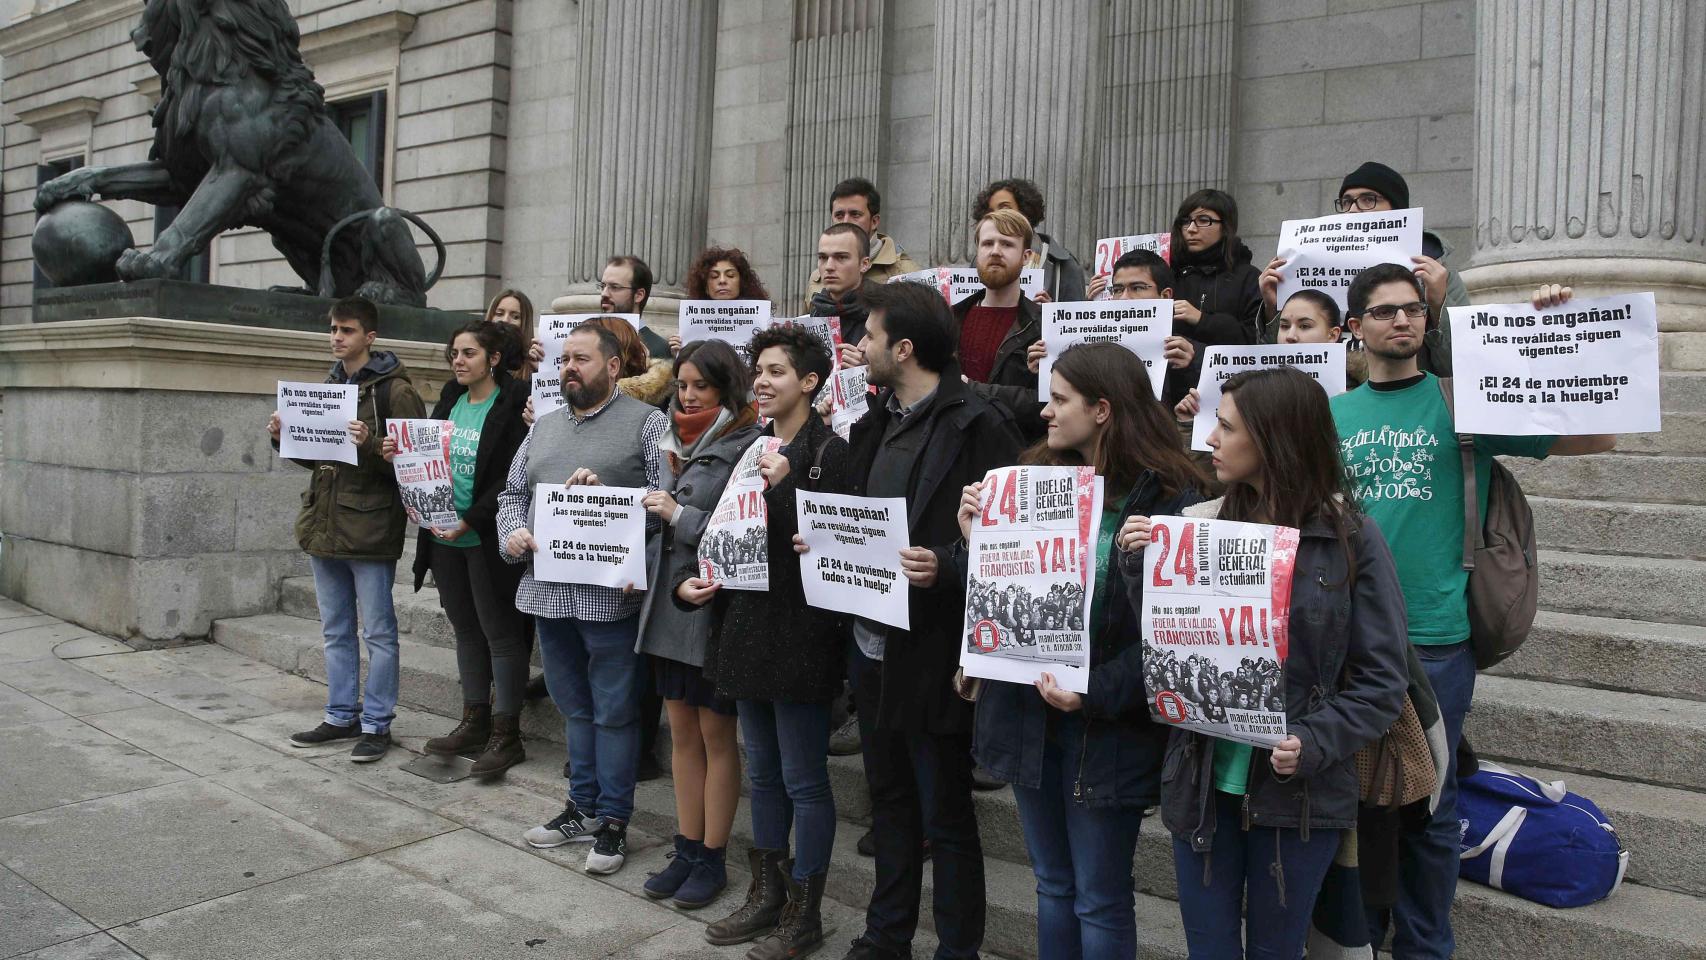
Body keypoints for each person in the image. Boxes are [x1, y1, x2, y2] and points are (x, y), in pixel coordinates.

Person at [1331, 268, 1617, 959]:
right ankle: (1363, 937)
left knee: (1430, 813)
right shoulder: (1331, 415)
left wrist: (1557, 333)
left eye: (1413, 310)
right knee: (1364, 807)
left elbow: (1597, 438)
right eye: (1384, 312)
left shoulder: (1469, 401)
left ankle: (1425, 948)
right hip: (1349, 637)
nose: (1402, 321)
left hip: (1436, 638)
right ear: (1356, 329)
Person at [1149, 365, 1409, 959]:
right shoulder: (1196, 526)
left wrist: (1312, 741)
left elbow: (1382, 681)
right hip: (1203, 788)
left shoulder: (1352, 539)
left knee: (1277, 951)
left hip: (1299, 801)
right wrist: (1149, 568)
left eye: (1228, 427)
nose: (1211, 438)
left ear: (1276, 439)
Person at [957, 343, 1203, 960]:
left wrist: (1096, 690)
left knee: (1098, 894)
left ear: (1101, 409)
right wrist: (973, 543)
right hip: (1027, 714)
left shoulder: (1172, 498)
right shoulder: (1029, 479)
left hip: (1107, 727)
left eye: (1060, 398)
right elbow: (995, 599)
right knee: (1052, 884)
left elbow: (1180, 636)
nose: (1045, 410)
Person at [837, 280, 1022, 960]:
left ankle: (957, 948)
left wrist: (945, 565)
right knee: (886, 799)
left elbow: (1009, 545)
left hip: (936, 647)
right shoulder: (876, 418)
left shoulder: (980, 425)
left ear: (904, 348)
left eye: (872, 337)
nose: (861, 348)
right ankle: (885, 935)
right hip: (872, 640)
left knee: (944, 814)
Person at [699, 323, 851, 959]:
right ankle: (766, 893)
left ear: (810, 383)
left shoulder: (829, 452)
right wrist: (695, 581)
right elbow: (722, 531)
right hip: (747, 628)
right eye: (758, 371)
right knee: (762, 774)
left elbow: (833, 547)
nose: (761, 381)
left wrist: (786, 483)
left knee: (804, 781)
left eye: (777, 371)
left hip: (803, 635)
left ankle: (803, 912)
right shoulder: (749, 447)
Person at [500, 321, 669, 876]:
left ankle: (615, 821)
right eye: (564, 359)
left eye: (581, 359)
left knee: (616, 714)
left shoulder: (647, 424)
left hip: (612, 600)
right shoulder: (543, 427)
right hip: (550, 595)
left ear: (614, 366)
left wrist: (615, 510)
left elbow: (665, 502)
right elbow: (511, 495)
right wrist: (513, 534)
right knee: (575, 708)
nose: (569, 368)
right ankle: (582, 808)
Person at [635, 340, 761, 910]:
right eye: (681, 385)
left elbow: (745, 531)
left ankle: (712, 856)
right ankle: (686, 847)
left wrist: (677, 513)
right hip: (669, 605)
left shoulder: (750, 444)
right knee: (680, 732)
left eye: (700, 387)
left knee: (715, 735)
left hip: (714, 612)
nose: (686, 396)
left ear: (726, 390)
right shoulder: (668, 442)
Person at [271, 296, 426, 762]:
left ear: (370, 337)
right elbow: (319, 457)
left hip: (371, 525)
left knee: (378, 631)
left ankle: (376, 723)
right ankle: (341, 714)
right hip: (325, 522)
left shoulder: (395, 390)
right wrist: (283, 437)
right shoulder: (330, 383)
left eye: (348, 330)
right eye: (334, 329)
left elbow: (414, 463)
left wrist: (373, 443)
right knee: (336, 628)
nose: (338, 337)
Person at [384, 320, 531, 777]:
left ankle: (507, 735)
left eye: (468, 353)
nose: (459, 361)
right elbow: (428, 457)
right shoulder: (450, 398)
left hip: (485, 537)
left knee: (501, 633)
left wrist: (471, 518)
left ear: (493, 358)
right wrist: (400, 455)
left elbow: (511, 475)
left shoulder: (512, 403)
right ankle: (474, 719)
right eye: (454, 354)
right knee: (466, 629)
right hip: (444, 537)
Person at [1261, 162, 1469, 376]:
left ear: (1397, 212)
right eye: (1346, 202)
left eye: (1368, 200)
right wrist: (1272, 308)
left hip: (1400, 396)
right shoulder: (1309, 265)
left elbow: (1462, 365)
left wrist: (1438, 304)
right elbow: (1279, 365)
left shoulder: (1435, 271)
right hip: (1323, 396)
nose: (1353, 209)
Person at [1031, 248, 1196, 407]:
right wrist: (1045, 369)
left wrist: (1186, 370)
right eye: (1118, 289)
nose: (1124, 298)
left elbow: (1185, 418)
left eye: (1137, 288)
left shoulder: (1183, 351)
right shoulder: (1087, 345)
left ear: (1165, 296)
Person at [951, 208, 1046, 439]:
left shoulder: (1042, 325)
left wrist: (971, 388)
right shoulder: (950, 318)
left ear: (1026, 257)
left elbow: (1044, 404)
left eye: (1006, 244)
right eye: (987, 243)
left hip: (1013, 454)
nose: (995, 251)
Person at [1167, 188, 1263, 349]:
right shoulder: (1168, 273)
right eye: (1185, 221)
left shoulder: (1249, 278)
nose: (1191, 229)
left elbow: (1258, 339)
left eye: (1203, 220)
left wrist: (1202, 320)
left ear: (1225, 226)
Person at [972, 177, 1086, 304]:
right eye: (990, 211)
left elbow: (1073, 319)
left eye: (1004, 208)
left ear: (1026, 210)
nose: (997, 216)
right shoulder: (980, 263)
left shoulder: (1064, 265)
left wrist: (1048, 316)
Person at [806, 176, 922, 297]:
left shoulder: (905, 273)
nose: (846, 221)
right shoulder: (817, 278)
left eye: (855, 214)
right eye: (839, 215)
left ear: (874, 221)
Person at [672, 246, 775, 354]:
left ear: (742, 283)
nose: (722, 281)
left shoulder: (763, 322)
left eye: (730, 275)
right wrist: (681, 352)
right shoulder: (690, 325)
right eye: (714, 276)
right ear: (706, 287)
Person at [811, 222, 878, 366]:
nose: (829, 266)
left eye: (841, 257)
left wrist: (867, 370)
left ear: (864, 264)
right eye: (823, 257)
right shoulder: (815, 311)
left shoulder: (884, 310)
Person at [601, 254, 674, 359]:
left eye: (614, 287)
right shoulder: (592, 339)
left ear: (639, 295)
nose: (604, 293)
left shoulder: (657, 349)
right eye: (603, 286)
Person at [484, 288, 545, 381]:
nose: (505, 320)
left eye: (515, 317)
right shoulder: (477, 357)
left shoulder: (533, 364)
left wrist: (541, 372)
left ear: (525, 323)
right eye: (499, 314)